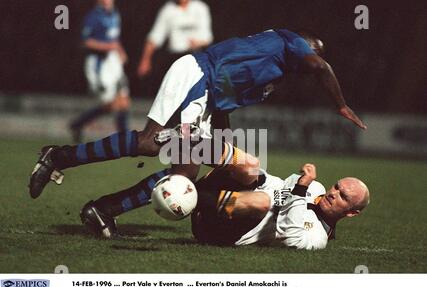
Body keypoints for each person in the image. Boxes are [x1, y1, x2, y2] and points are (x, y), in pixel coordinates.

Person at [29, 28, 367, 238]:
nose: (311, 61)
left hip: (208, 93)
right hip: (196, 74)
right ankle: (58, 156)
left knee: (185, 175)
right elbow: (320, 67)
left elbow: (224, 106)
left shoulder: (272, 73)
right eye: (311, 52)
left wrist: (222, 148)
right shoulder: (290, 43)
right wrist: (340, 104)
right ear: (304, 47)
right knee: (150, 143)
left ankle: (102, 210)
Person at [192, 163, 370, 250]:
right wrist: (262, 178)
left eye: (343, 196)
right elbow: (285, 185)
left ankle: (191, 199)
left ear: (352, 213)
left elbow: (289, 237)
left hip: (223, 231)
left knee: (262, 202)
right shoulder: (316, 188)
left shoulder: (319, 237)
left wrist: (299, 190)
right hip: (228, 202)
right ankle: (185, 150)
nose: (334, 193)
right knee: (250, 166)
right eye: (337, 186)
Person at [69, 0, 131, 143]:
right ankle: (77, 124)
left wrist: (120, 51)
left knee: (124, 99)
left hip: (113, 62)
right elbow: (85, 42)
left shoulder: (115, 13)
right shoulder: (93, 16)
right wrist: (108, 47)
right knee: (111, 104)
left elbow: (114, 39)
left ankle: (125, 140)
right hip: (99, 65)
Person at [137, 0, 213, 90]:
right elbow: (155, 37)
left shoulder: (200, 8)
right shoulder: (168, 10)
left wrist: (198, 43)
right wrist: (145, 60)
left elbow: (207, 37)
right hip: (176, 59)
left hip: (198, 58)